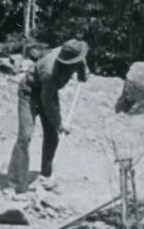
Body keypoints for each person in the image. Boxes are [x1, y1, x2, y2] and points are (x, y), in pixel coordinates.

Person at [10, 38, 89, 188]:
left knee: (52, 136)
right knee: (25, 136)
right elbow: (47, 103)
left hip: (49, 93)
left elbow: (81, 60)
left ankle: (46, 177)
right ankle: (16, 183)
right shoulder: (49, 70)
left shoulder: (73, 52)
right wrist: (59, 123)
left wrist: (83, 73)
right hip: (30, 93)